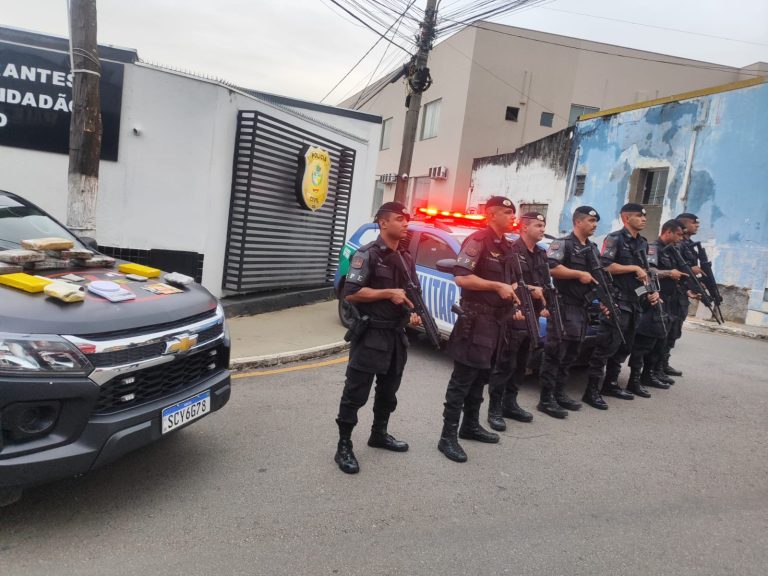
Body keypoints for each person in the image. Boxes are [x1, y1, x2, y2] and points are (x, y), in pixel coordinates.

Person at [334, 202, 422, 475]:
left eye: (406, 219)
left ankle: (379, 434)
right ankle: (344, 446)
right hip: (371, 334)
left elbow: (410, 292)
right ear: (383, 223)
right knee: (355, 393)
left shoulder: (406, 256)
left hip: (396, 336)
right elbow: (351, 292)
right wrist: (387, 294)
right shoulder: (367, 254)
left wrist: (413, 313)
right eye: (399, 219)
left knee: (388, 392)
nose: (405, 224)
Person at [437, 196, 523, 463]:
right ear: (492, 215)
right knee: (462, 380)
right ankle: (447, 437)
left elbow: (512, 281)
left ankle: (470, 425)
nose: (512, 217)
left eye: (513, 213)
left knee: (482, 377)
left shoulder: (507, 247)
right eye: (507, 213)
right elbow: (462, 276)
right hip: (475, 322)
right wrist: (496, 287)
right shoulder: (478, 241)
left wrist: (513, 291)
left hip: (497, 324)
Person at [584, 203, 660, 409]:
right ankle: (591, 391)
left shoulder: (643, 243)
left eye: (644, 217)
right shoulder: (615, 239)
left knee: (624, 347)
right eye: (638, 216)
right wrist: (633, 267)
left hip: (635, 302)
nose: (644, 219)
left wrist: (651, 292)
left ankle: (610, 384)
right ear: (626, 218)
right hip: (617, 301)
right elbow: (606, 265)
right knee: (606, 346)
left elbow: (644, 274)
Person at [538, 206, 602, 418]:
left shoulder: (592, 248)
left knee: (572, 354)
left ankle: (559, 393)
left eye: (595, 222)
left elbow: (597, 276)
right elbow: (552, 268)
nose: (594, 226)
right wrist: (578, 274)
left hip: (583, 308)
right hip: (564, 306)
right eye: (590, 222)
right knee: (556, 352)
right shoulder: (562, 244)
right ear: (578, 222)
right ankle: (546, 399)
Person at [487, 211, 549, 427]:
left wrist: (546, 306)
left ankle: (510, 404)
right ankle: (494, 408)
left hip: (533, 315)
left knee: (522, 363)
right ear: (524, 228)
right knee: (506, 363)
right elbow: (508, 283)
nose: (542, 229)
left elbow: (546, 284)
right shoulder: (512, 251)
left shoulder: (541, 254)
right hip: (515, 312)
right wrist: (531, 291)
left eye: (543, 225)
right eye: (538, 225)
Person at [626, 219, 687, 397]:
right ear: (668, 232)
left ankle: (650, 374)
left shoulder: (670, 251)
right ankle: (634, 380)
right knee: (643, 343)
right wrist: (666, 276)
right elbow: (650, 274)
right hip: (646, 299)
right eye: (678, 234)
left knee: (659, 341)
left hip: (663, 299)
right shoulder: (652, 249)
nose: (680, 239)